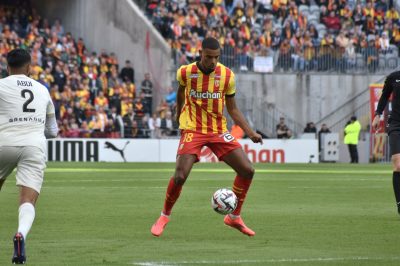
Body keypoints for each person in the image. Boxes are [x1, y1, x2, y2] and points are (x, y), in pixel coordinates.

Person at [151, 37, 263, 237]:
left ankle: (234, 217)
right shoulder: (185, 72)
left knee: (248, 170)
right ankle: (164, 215)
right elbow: (180, 93)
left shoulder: (227, 75)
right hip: (193, 128)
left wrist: (251, 132)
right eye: (209, 57)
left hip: (218, 130)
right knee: (180, 175)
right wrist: (179, 116)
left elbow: (233, 109)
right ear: (201, 53)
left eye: (216, 57)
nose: (213, 61)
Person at [0, 49, 58, 264]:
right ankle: (21, 234)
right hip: (34, 145)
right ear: (29, 67)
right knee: (28, 200)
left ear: (7, 68)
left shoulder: (1, 85)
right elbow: (52, 131)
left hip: (3, 142)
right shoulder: (42, 90)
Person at [372, 71, 400, 214]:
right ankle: (399, 203)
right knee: (398, 164)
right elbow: (384, 96)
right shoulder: (394, 77)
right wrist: (377, 115)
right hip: (396, 125)